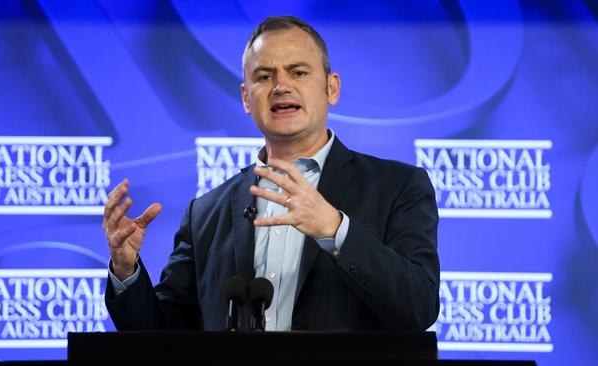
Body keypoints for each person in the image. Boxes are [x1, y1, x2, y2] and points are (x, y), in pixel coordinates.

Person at [103, 16, 439, 331]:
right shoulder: (206, 212)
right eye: (264, 76)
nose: (280, 86)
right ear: (247, 98)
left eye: (298, 72)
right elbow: (162, 337)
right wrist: (125, 269)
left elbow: (417, 308)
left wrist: (334, 229)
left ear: (331, 89)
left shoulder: (398, 187)